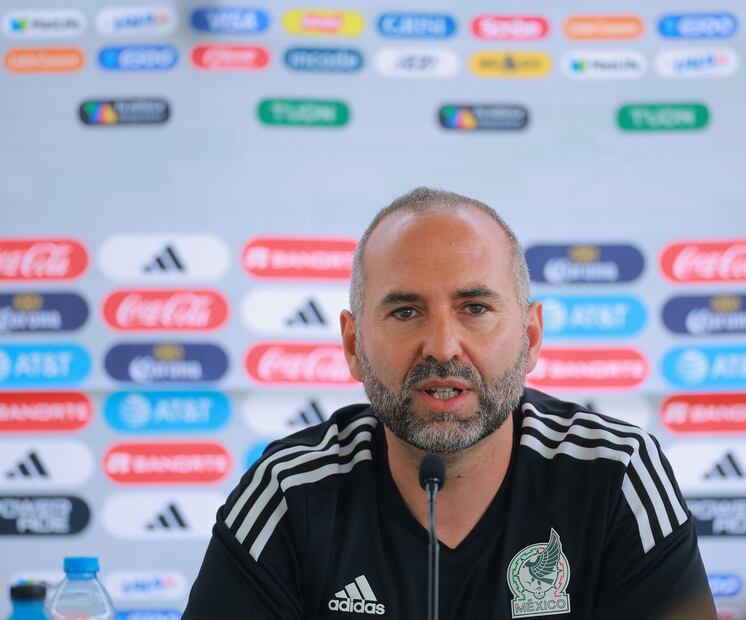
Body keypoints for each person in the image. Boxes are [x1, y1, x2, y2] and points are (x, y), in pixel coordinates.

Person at [182, 188, 716, 619]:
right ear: (352, 346)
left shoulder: (616, 472)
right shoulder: (288, 490)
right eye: (406, 312)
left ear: (531, 337)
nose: (442, 346)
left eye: (475, 308)